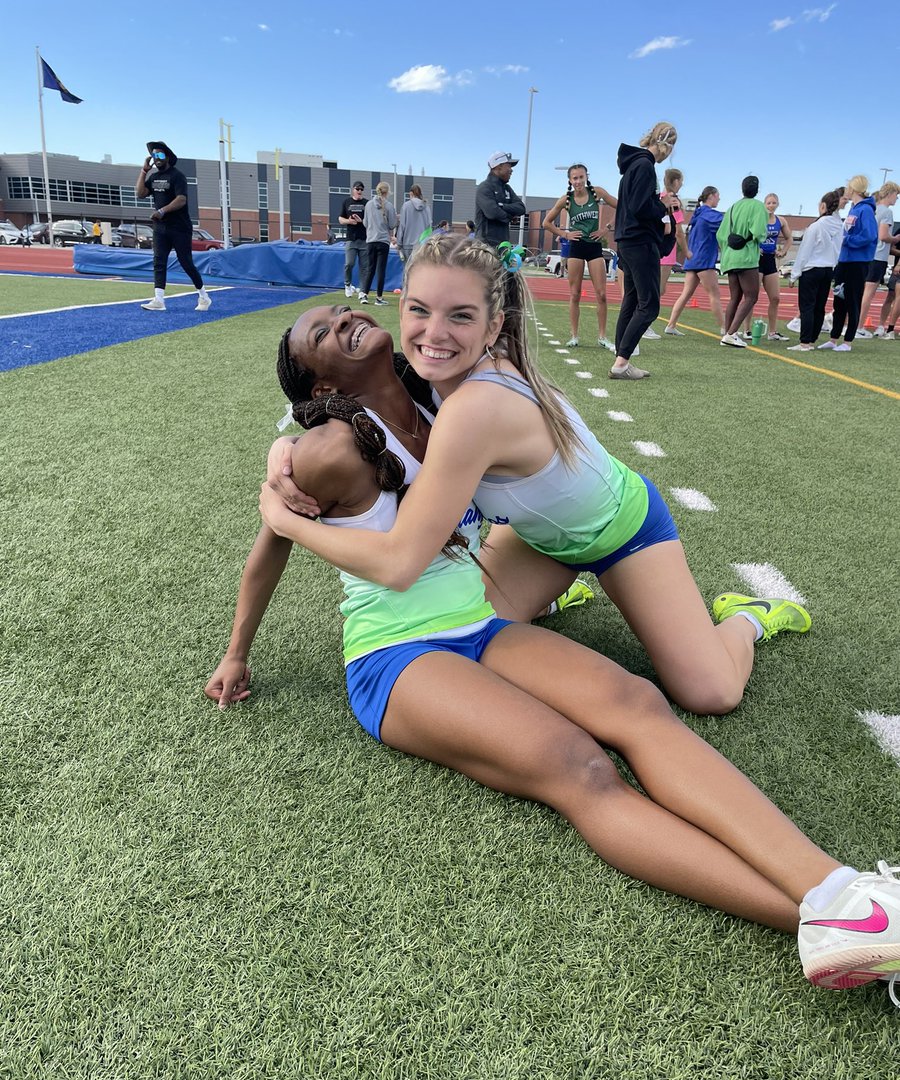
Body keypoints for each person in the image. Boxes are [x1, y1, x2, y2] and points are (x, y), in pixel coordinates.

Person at [207, 304, 900, 1011]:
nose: (344, 319)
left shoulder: (439, 396)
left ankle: (835, 888)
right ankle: (842, 924)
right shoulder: (326, 451)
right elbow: (270, 549)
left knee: (639, 704)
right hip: (396, 654)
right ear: (322, 388)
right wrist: (237, 652)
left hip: (477, 621)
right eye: (322, 333)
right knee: (580, 767)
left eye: (340, 312)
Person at [266, 235, 812, 719]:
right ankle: (554, 593)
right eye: (420, 310)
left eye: (460, 316)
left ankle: (748, 617)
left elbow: (400, 562)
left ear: (492, 326)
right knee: (462, 635)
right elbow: (352, 419)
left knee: (711, 693)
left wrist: (288, 522)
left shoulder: (476, 403)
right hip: (536, 540)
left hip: (623, 532)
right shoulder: (425, 379)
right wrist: (285, 448)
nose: (435, 333)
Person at [610, 122, 680, 380]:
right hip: (639, 242)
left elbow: (634, 204)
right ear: (666, 145)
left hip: (627, 241)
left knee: (631, 300)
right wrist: (663, 205)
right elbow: (640, 207)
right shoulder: (644, 166)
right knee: (649, 305)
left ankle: (621, 358)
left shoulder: (634, 165)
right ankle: (621, 362)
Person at [543, 163, 618, 351]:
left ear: (586, 177)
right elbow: (546, 223)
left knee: (601, 294)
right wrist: (565, 234)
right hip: (576, 247)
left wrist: (606, 228)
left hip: (594, 247)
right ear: (570, 180)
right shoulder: (566, 200)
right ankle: (574, 336)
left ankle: (602, 337)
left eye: (581, 177)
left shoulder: (597, 193)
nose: (578, 181)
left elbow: (621, 207)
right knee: (575, 294)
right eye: (574, 178)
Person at [136, 141, 211, 313]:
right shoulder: (153, 178)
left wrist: (162, 211)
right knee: (159, 261)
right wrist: (144, 171)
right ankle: (159, 300)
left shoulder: (177, 176)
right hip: (160, 228)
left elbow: (181, 199)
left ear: (168, 157)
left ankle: (204, 296)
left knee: (186, 262)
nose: (157, 158)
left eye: (160, 155)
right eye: (154, 155)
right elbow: (140, 193)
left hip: (179, 227)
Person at [818, 176, 878, 352]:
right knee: (839, 301)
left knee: (852, 301)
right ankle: (833, 338)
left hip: (858, 262)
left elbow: (869, 235)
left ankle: (848, 341)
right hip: (844, 260)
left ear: (854, 189)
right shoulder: (854, 209)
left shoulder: (865, 210)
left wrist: (846, 240)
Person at [787, 190, 844, 351]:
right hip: (828, 269)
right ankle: (811, 340)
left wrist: (794, 274)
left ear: (823, 206)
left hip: (812, 269)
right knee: (820, 306)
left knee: (807, 307)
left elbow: (804, 252)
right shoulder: (838, 225)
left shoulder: (816, 226)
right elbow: (838, 249)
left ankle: (805, 342)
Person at [664, 186, 726, 335]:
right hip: (703, 260)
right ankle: (726, 330)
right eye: (718, 196)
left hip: (692, 259)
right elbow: (729, 224)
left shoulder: (697, 214)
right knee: (714, 295)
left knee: (685, 294)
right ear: (711, 196)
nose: (719, 199)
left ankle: (671, 325)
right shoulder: (710, 215)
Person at [716, 176, 768, 348]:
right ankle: (731, 334)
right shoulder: (758, 206)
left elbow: (721, 235)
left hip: (730, 257)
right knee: (751, 296)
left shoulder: (732, 208)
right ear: (757, 190)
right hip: (746, 258)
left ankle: (727, 333)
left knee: (735, 298)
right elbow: (759, 232)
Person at [857, 181, 900, 337]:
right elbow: (883, 236)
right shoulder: (887, 212)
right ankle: (859, 327)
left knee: (860, 292)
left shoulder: (871, 210)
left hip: (866, 255)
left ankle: (851, 324)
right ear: (890, 194)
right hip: (878, 256)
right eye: (896, 195)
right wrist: (895, 239)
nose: (897, 199)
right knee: (868, 294)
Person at [653, 167, 690, 331]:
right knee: (657, 290)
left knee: (656, 289)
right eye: (681, 181)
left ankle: (665, 325)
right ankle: (645, 324)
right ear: (675, 182)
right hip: (665, 252)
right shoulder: (673, 201)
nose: (681, 184)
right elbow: (679, 232)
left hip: (656, 248)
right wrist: (687, 252)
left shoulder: (658, 197)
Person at [750, 193, 792, 341]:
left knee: (775, 298)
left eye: (774, 203)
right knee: (751, 298)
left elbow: (789, 238)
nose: (771, 205)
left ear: (777, 204)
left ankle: (772, 332)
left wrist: (783, 251)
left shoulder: (781, 221)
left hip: (770, 261)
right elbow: (748, 236)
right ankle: (747, 330)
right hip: (757, 261)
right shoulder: (758, 219)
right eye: (768, 203)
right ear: (764, 204)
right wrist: (755, 249)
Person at [475, 152, 526, 247]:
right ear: (499, 167)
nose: (511, 170)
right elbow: (492, 213)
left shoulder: (507, 188)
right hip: (485, 245)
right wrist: (511, 216)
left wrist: (501, 206)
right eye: (509, 166)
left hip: (503, 244)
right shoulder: (484, 187)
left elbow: (521, 208)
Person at [358, 182, 398, 307]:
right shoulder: (389, 206)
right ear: (387, 192)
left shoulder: (368, 204)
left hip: (371, 240)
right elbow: (392, 225)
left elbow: (365, 223)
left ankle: (364, 294)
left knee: (370, 268)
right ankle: (378, 298)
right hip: (383, 241)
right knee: (381, 270)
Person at [339, 180, 368, 298]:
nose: (359, 191)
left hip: (364, 239)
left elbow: (371, 221)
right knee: (349, 263)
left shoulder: (367, 203)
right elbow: (340, 219)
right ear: (353, 189)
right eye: (357, 189)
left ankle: (362, 290)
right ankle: (348, 285)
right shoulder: (346, 202)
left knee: (364, 267)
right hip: (351, 238)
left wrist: (362, 221)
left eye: (361, 189)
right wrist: (349, 221)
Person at [397, 185, 432, 263]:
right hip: (422, 244)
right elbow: (429, 227)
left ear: (411, 193)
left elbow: (402, 226)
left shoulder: (406, 206)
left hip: (407, 244)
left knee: (407, 268)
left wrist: (399, 243)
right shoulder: (426, 207)